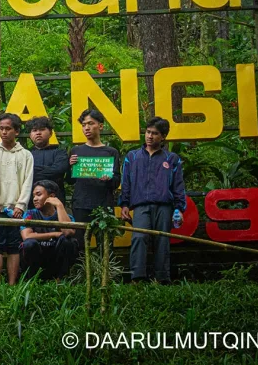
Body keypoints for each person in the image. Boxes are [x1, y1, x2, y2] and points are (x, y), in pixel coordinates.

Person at [120, 117, 185, 284]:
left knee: (162, 241)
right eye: (148, 132)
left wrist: (179, 209)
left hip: (164, 206)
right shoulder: (132, 157)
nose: (150, 136)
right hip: (140, 205)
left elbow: (178, 185)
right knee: (139, 238)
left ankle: (162, 278)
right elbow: (125, 182)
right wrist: (124, 204)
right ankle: (137, 277)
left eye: (155, 133)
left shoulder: (172, 159)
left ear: (162, 137)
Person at [0, 113, 34, 285]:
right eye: (1, 128)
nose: (4, 132)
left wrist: (21, 205)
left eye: (8, 128)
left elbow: (28, 181)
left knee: (14, 247)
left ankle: (12, 284)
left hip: (16, 208)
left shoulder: (26, 155)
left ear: (17, 131)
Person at [69, 109, 121, 248]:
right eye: (84, 124)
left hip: (103, 206)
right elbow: (70, 181)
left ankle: (104, 270)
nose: (86, 128)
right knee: (79, 245)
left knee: (104, 246)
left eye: (91, 123)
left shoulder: (111, 152)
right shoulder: (76, 151)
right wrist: (70, 166)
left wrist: (108, 179)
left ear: (101, 126)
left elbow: (116, 181)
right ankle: (81, 271)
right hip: (81, 204)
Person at [20, 180, 78, 280]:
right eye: (34, 196)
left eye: (38, 195)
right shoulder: (29, 214)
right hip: (37, 259)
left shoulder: (66, 215)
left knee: (69, 242)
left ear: (51, 196)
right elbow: (27, 236)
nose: (35, 199)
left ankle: (61, 280)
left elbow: (68, 232)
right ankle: (33, 281)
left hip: (56, 260)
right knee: (29, 244)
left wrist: (59, 206)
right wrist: (55, 234)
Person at [26, 116, 69, 203]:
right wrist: (49, 169)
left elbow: (58, 170)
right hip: (30, 200)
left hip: (56, 199)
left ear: (50, 133)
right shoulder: (26, 154)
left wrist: (33, 172)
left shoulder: (60, 152)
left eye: (42, 129)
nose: (38, 133)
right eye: (34, 130)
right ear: (30, 135)